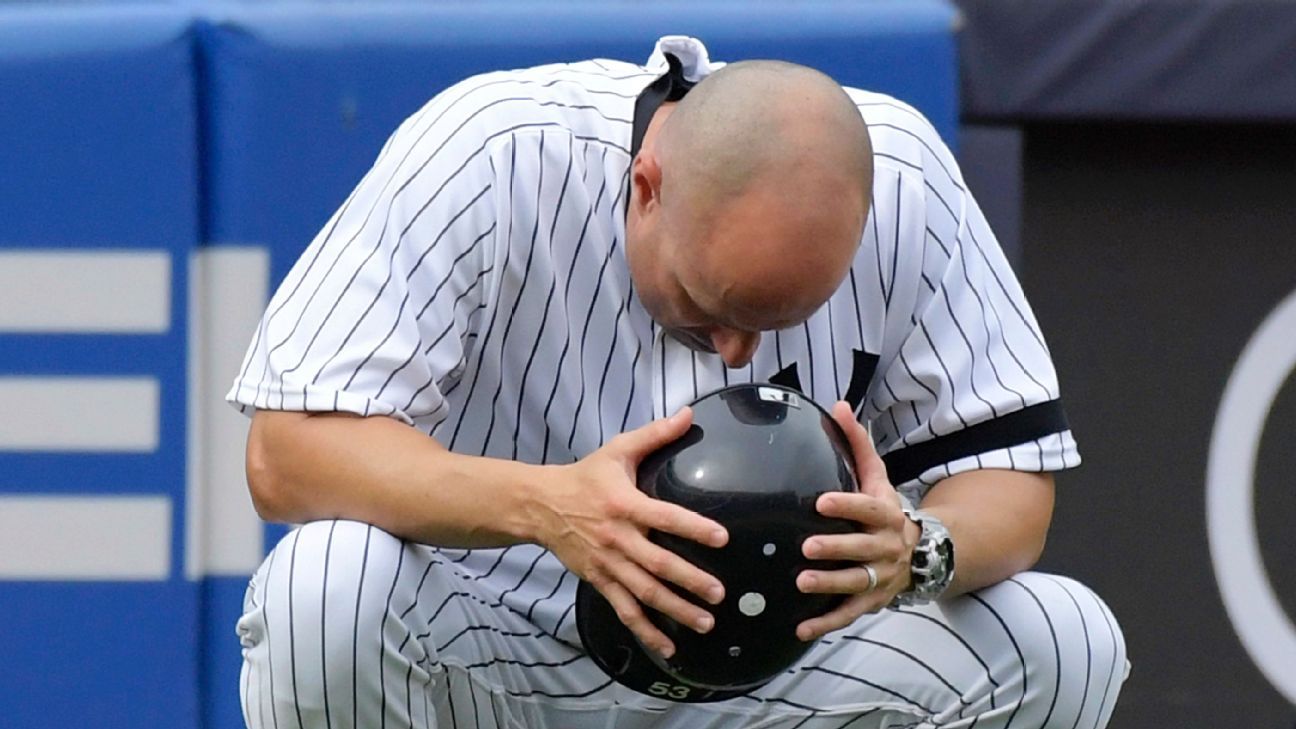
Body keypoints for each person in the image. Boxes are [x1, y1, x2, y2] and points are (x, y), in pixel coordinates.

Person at [229, 36, 1127, 729]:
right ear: (646, 186)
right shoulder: (494, 151)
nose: (737, 351)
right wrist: (551, 506)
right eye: (713, 301)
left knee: (1064, 638)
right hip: (491, 650)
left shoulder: (906, 180)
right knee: (327, 585)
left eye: (778, 317)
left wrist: (917, 550)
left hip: (778, 672)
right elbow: (288, 457)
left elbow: (1012, 484)